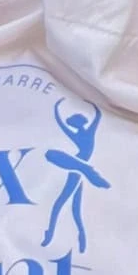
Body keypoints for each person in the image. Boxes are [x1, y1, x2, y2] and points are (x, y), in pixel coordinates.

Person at [42, 99, 110, 254]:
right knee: (71, 207)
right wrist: (56, 109)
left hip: (77, 167)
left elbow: (97, 117)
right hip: (77, 166)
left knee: (67, 205)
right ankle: (69, 235)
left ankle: (55, 233)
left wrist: (94, 105)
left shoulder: (89, 132)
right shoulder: (78, 134)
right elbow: (61, 124)